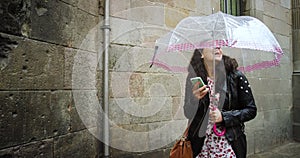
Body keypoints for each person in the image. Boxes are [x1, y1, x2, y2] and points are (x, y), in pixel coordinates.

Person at [183, 48, 257, 158]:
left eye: (219, 44)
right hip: (201, 146)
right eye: (212, 43)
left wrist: (224, 117)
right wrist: (194, 100)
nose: (217, 46)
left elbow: (251, 110)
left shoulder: (236, 76)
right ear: (201, 54)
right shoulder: (194, 79)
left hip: (228, 145)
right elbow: (188, 113)